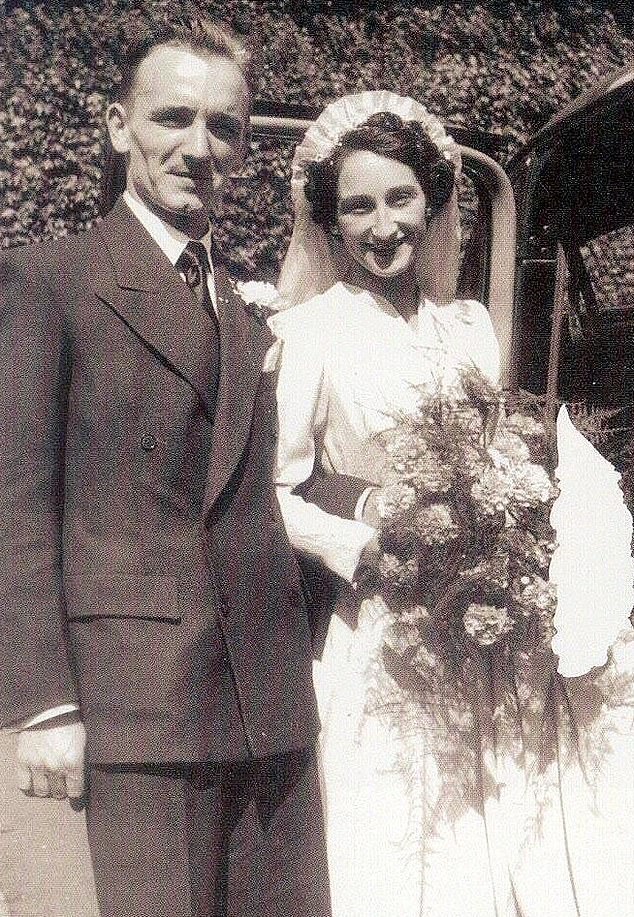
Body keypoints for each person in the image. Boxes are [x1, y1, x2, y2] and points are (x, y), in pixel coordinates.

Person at [270, 91, 634, 916]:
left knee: (498, 821)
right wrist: (368, 538)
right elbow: (275, 490)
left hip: (488, 628)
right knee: (401, 833)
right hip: (387, 624)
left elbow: (499, 452)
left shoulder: (470, 326)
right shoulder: (309, 333)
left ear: (432, 201)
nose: (383, 224)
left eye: (400, 197)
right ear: (330, 224)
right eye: (357, 206)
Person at [0, 18, 330, 917]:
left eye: (224, 127)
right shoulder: (50, 281)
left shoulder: (242, 302)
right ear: (118, 126)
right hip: (139, 698)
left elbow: (255, 488)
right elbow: (16, 505)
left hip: (268, 692)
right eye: (173, 118)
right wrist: (43, 705)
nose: (198, 148)